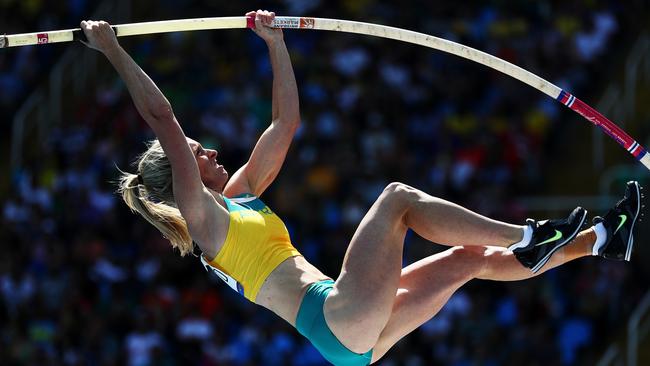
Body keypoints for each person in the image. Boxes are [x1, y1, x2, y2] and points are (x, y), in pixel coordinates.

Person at [80, 11, 643, 366]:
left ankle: (599, 239)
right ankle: (530, 235)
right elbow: (161, 117)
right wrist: (112, 50)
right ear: (179, 179)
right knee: (398, 198)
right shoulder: (203, 219)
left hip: (349, 337)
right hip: (336, 316)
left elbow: (284, 125)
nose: (210, 152)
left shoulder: (240, 196)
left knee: (471, 259)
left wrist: (274, 42)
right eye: (199, 153)